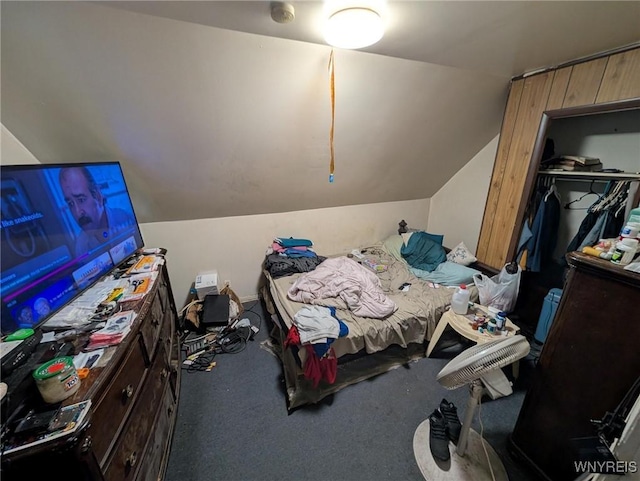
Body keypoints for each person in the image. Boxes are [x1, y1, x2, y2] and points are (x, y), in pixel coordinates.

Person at [59, 166, 135, 256]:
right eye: (71, 204)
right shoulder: (81, 246)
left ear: (98, 196)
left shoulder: (126, 219)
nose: (78, 212)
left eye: (81, 199)